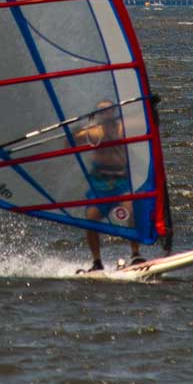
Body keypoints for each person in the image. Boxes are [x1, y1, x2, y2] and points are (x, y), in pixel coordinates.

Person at [73, 100, 144, 272]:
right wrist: (74, 130)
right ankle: (97, 262)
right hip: (99, 183)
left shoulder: (122, 128)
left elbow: (143, 124)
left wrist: (151, 113)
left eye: (109, 110)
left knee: (132, 212)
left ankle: (135, 254)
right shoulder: (94, 132)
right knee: (90, 220)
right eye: (102, 111)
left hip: (121, 181)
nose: (106, 113)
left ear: (114, 112)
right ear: (98, 114)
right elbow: (72, 141)